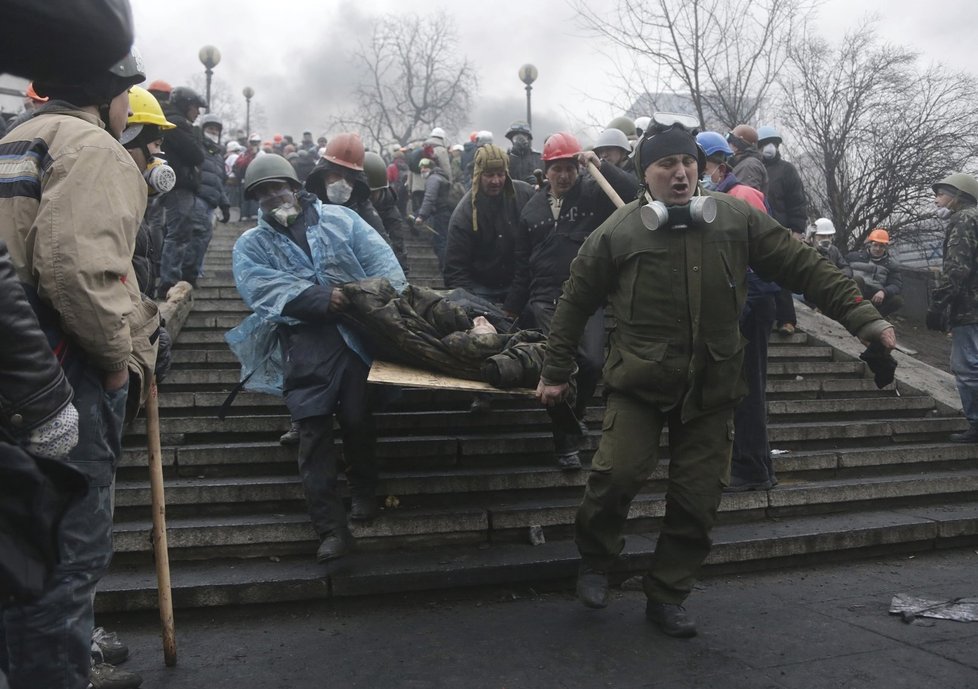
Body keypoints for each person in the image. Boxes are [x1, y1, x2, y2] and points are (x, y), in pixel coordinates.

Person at [535, 120, 895, 637]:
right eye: (666, 165)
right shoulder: (616, 234)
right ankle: (596, 557)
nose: (680, 174)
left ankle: (667, 592)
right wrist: (554, 371)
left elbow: (807, 268)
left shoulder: (734, 219)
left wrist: (867, 321)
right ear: (646, 174)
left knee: (698, 499)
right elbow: (573, 304)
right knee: (614, 477)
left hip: (711, 387)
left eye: (687, 163)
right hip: (638, 384)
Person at [0, 47, 156, 689]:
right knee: (70, 553)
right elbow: (77, 272)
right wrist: (117, 362)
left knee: (23, 548)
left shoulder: (15, 139)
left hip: (17, 371)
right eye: (128, 98)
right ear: (107, 95)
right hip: (65, 376)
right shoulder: (91, 148)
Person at [228, 154, 406, 563]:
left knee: (359, 418)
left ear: (295, 186)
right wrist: (324, 297)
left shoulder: (341, 220)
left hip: (355, 335)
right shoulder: (252, 244)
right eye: (263, 193)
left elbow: (385, 265)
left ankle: (364, 490)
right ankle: (330, 528)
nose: (274, 197)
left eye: (279, 187)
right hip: (304, 340)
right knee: (312, 433)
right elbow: (261, 288)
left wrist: (374, 299)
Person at [505, 131, 639, 470]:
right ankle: (564, 442)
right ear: (546, 171)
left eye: (569, 168)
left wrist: (602, 166)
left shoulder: (592, 194)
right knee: (562, 365)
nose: (563, 176)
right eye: (556, 169)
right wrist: (511, 307)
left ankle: (571, 418)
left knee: (593, 362)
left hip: (587, 296)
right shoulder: (531, 209)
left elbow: (632, 193)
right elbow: (521, 265)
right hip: (545, 299)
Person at [697, 131, 781, 492]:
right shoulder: (717, 198)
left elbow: (761, 257)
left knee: (749, 387)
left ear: (718, 165)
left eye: (700, 166)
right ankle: (747, 462)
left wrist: (743, 307)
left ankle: (754, 467)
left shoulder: (742, 195)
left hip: (754, 301)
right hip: (739, 301)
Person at [444, 144, 535, 303]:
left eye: (500, 174)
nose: (496, 181)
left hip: (520, 283)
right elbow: (455, 271)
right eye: (489, 175)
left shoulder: (525, 194)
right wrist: (475, 306)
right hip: (480, 288)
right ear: (478, 175)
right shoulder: (463, 214)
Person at [927, 173, 978, 443]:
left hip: (970, 309)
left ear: (958, 195)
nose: (937, 199)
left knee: (968, 367)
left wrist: (938, 304)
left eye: (941, 194)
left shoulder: (964, 219)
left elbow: (957, 269)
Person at [756, 125, 807, 336]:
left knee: (781, 274)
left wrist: (797, 229)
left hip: (781, 229)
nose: (770, 148)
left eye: (774, 143)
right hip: (758, 229)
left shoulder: (787, 170)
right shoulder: (753, 168)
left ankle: (787, 320)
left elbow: (797, 202)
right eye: (765, 144)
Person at [157, 86, 207, 298]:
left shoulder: (175, 122)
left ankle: (177, 277)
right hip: (179, 186)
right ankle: (169, 282)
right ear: (186, 104)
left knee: (184, 231)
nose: (197, 113)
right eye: (196, 107)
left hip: (180, 185)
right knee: (178, 234)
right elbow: (196, 154)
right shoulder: (175, 123)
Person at [190, 113, 231, 282]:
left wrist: (225, 204)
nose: (213, 132)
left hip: (211, 202)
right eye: (210, 129)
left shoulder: (219, 156)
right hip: (198, 198)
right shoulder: (198, 148)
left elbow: (218, 182)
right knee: (197, 235)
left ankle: (196, 270)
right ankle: (191, 273)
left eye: (216, 130)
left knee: (204, 238)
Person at [363, 150, 410, 273]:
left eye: (372, 194)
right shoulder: (356, 204)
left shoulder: (390, 211)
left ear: (381, 190)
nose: (368, 200)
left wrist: (402, 276)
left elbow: (398, 246)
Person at [846, 229, 904, 317]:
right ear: (869, 245)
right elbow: (842, 269)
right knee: (857, 280)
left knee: (897, 301)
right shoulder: (853, 257)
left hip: (875, 295)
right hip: (856, 293)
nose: (878, 249)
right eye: (875, 245)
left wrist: (884, 292)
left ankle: (873, 317)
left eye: (881, 246)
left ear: (886, 247)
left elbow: (895, 284)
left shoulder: (891, 265)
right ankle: (853, 310)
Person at [414, 156, 455, 271]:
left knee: (440, 242)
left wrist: (421, 216)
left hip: (442, 214)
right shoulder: (441, 177)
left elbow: (429, 198)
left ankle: (445, 268)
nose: (422, 170)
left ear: (431, 168)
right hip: (446, 213)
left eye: (425, 168)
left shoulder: (433, 179)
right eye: (421, 168)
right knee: (444, 240)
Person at [726, 124, 768, 195]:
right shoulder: (740, 164)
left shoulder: (749, 166)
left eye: (731, 142)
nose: (729, 146)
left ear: (737, 145)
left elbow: (746, 200)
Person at [505, 120, 542, 186]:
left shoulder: (538, 157)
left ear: (528, 137)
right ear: (511, 138)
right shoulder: (505, 157)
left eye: (524, 135)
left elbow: (548, 180)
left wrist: (539, 180)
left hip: (533, 193)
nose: (520, 138)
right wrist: (514, 155)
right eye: (517, 136)